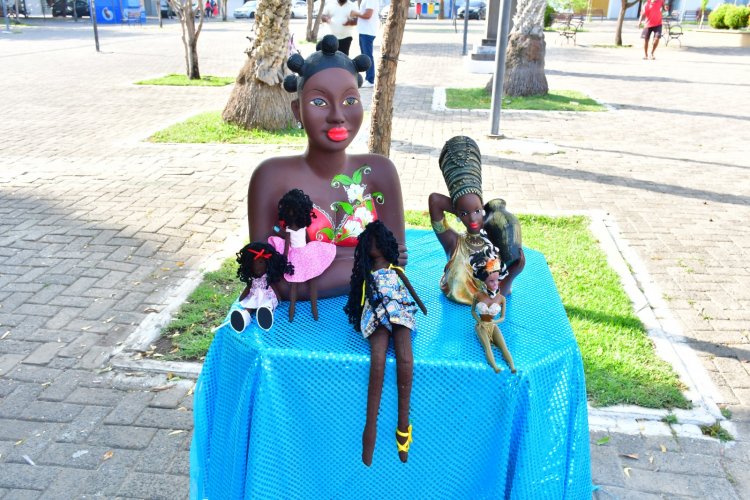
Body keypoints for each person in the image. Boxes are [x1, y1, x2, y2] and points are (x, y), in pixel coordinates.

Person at [248, 35, 407, 301]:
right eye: (319, 102)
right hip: (297, 330)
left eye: (350, 101)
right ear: (297, 111)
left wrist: (307, 273)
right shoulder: (271, 177)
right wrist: (366, 261)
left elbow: (396, 262)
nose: (337, 115)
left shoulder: (380, 173)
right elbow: (269, 276)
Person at [343, 221, 427, 466]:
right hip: (378, 312)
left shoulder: (395, 270)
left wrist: (420, 307)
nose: (375, 245)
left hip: (399, 309)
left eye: (378, 241)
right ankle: (370, 431)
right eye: (370, 242)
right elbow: (359, 297)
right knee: (377, 361)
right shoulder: (366, 275)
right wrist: (358, 314)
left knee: (406, 359)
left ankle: (403, 428)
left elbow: (409, 289)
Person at [428, 136, 525, 303]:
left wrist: (514, 272)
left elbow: (501, 292)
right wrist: (461, 208)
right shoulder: (454, 243)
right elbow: (435, 200)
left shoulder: (492, 247)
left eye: (477, 211)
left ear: (484, 209)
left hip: (485, 311)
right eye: (465, 214)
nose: (473, 218)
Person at [268, 188, 336, 321]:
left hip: (304, 254)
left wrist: (287, 258)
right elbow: (290, 247)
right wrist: (285, 259)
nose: (292, 216)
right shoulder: (290, 230)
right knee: (299, 285)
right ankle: (302, 311)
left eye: (293, 213)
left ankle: (306, 311)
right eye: (290, 214)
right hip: (301, 255)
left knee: (301, 285)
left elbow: (307, 243)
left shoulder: (296, 229)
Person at [231, 242, 294, 332]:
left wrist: (279, 298)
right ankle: (244, 317)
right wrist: (241, 298)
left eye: (261, 262)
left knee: (267, 305)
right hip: (254, 296)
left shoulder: (267, 278)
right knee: (249, 306)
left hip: (267, 296)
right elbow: (248, 288)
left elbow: (273, 287)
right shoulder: (252, 279)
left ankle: (264, 315)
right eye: (253, 263)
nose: (257, 267)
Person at [470, 252, 516, 374]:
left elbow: (502, 317)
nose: (495, 284)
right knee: (487, 347)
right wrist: (479, 321)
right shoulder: (478, 296)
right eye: (491, 281)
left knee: (503, 346)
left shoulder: (501, 298)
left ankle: (512, 366)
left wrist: (494, 322)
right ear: (484, 281)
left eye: (497, 280)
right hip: (481, 326)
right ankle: (495, 366)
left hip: (493, 325)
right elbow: (473, 311)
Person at [349, 0, 380, 87]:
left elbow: (368, 15)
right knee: (365, 55)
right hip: (364, 32)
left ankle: (370, 80)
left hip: (367, 32)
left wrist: (355, 13)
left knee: (367, 56)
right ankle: (369, 78)